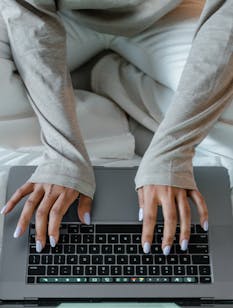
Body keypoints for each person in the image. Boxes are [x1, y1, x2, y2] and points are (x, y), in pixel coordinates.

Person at [0, 0, 232, 255]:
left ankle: (111, 77)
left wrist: (172, 151)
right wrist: (62, 154)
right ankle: (117, 108)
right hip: (60, 20)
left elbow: (226, 19)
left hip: (164, 19)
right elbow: (28, 15)